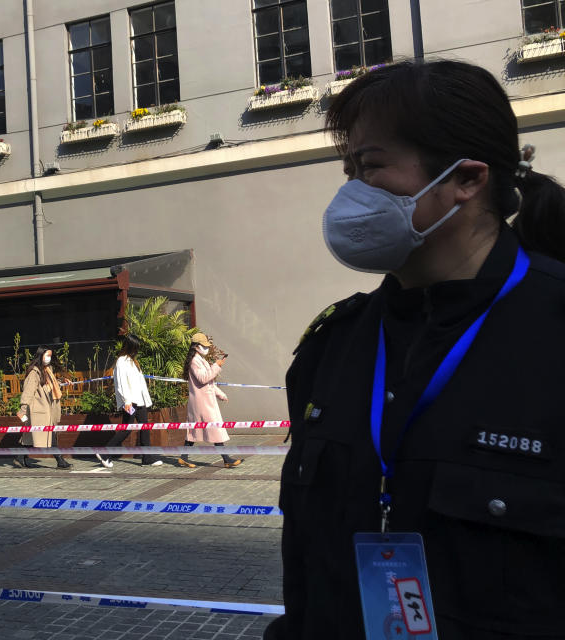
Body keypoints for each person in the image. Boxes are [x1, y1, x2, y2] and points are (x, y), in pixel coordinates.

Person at [266, 60, 565, 640]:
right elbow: (304, 570)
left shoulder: (553, 329)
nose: (351, 192)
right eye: (347, 169)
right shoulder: (335, 345)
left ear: (467, 180)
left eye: (371, 167)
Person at [97, 334, 162, 468]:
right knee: (126, 428)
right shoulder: (122, 361)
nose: (137, 350)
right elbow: (122, 383)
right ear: (131, 346)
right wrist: (127, 401)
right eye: (136, 347)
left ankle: (147, 457)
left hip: (139, 401)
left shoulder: (132, 361)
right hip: (131, 402)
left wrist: (145, 399)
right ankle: (104, 453)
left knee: (144, 427)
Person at [178, 333, 240, 469]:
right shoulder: (195, 361)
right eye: (204, 346)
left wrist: (221, 394)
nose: (206, 348)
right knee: (214, 427)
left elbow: (209, 383)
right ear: (196, 347)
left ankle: (183, 457)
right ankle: (226, 458)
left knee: (194, 429)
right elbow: (203, 378)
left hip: (204, 401)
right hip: (202, 403)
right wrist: (217, 366)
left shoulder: (201, 360)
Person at [14, 347, 70, 469]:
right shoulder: (34, 372)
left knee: (32, 435)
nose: (49, 358)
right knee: (48, 433)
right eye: (47, 355)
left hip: (46, 408)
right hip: (38, 408)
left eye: (50, 355)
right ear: (40, 356)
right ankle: (60, 460)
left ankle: (20, 457)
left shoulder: (47, 370)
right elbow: (28, 391)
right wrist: (23, 409)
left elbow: (49, 385)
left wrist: (60, 381)